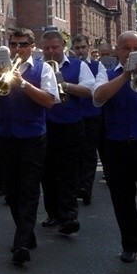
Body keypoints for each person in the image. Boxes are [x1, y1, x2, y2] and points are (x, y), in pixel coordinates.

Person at [0, 27, 59, 266]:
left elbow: (49, 101)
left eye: (22, 44)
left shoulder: (43, 68)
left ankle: (21, 242)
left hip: (33, 135)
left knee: (29, 188)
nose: (17, 49)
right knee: (12, 190)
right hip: (5, 135)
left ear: (32, 47)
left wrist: (22, 83)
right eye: (13, 44)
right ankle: (26, 232)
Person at [93, 30, 137, 274]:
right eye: (126, 49)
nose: (130, 53)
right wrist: (125, 75)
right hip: (116, 146)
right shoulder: (106, 72)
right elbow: (98, 98)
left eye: (136, 48)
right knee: (123, 200)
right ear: (118, 51)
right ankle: (130, 245)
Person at [40, 30, 97, 236]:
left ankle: (69, 216)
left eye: (55, 47)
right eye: (46, 48)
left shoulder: (79, 66)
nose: (51, 52)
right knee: (47, 172)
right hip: (45, 125)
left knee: (69, 172)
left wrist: (65, 85)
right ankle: (53, 213)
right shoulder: (39, 66)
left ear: (64, 46)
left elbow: (90, 91)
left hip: (71, 125)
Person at [70, 33, 106, 204]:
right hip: (74, 115)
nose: (80, 51)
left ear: (89, 47)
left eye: (83, 47)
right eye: (77, 48)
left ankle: (86, 187)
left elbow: (99, 89)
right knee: (75, 152)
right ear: (72, 49)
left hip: (92, 115)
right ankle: (77, 185)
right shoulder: (70, 65)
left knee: (90, 152)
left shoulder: (98, 66)